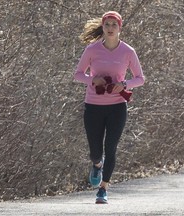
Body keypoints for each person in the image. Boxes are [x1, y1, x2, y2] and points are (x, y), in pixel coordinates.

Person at [74, 11, 145, 204]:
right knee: (95, 151)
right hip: (94, 106)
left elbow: (140, 79)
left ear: (120, 27)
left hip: (117, 107)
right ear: (103, 27)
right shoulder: (92, 50)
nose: (111, 28)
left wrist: (124, 85)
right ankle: (97, 164)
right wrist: (92, 80)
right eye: (107, 25)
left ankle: (103, 189)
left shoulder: (128, 51)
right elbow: (78, 74)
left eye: (114, 25)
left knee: (111, 147)